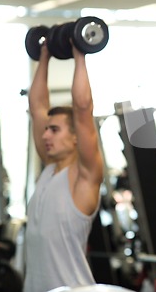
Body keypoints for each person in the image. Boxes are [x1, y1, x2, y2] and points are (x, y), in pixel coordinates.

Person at [24, 42, 104, 291]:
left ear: (75, 137)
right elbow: (37, 108)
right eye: (46, 129)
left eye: (54, 130)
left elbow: (82, 109)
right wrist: (44, 56)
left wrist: (80, 55)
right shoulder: (49, 169)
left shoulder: (83, 176)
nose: (45, 135)